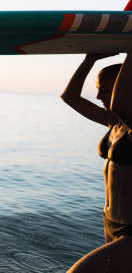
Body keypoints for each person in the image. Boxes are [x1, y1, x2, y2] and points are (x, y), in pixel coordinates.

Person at [61, 51, 132, 272]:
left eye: (105, 89)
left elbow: (120, 103)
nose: (99, 96)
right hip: (111, 222)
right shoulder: (114, 122)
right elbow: (70, 97)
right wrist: (90, 59)